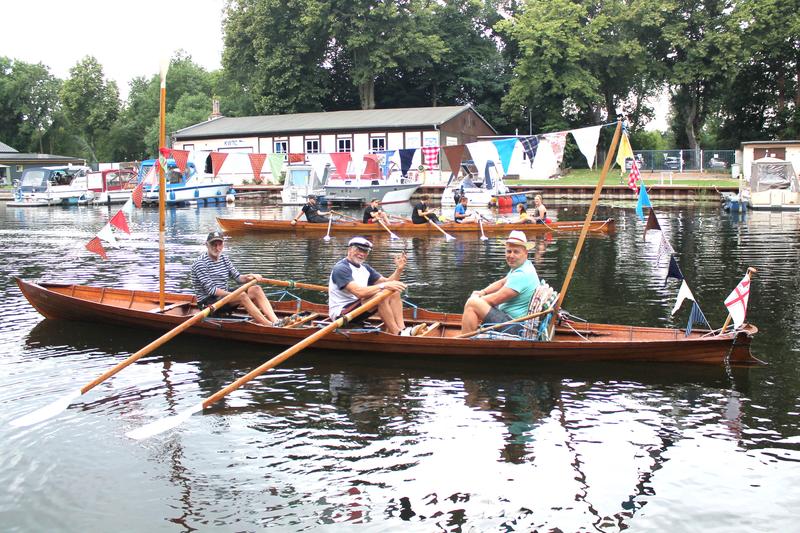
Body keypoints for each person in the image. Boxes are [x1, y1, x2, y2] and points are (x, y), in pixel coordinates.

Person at [191, 231, 283, 327]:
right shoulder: (200, 264)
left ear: (223, 244)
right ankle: (269, 325)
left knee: (256, 289)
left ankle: (276, 321)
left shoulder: (224, 258)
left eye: (220, 244)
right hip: (208, 304)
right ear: (206, 244)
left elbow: (238, 278)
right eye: (213, 244)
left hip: (224, 298)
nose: (217, 248)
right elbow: (212, 290)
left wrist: (251, 276)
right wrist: (234, 295)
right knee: (241, 295)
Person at [328, 236, 415, 335]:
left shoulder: (365, 268)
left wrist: (399, 270)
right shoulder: (341, 269)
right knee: (380, 297)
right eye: (358, 250)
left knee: (394, 292)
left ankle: (403, 329)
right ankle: (397, 333)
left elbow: (388, 282)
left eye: (365, 251)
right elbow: (359, 292)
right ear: (350, 250)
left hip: (359, 308)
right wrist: (384, 286)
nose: (361, 254)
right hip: (342, 314)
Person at [460, 230, 540, 335]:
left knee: (471, 304)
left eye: (516, 252)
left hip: (516, 327)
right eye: (509, 251)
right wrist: (482, 292)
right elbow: (503, 282)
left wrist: (476, 301)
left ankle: (465, 343)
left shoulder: (522, 275)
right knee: (475, 302)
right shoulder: (524, 266)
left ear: (525, 253)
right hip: (510, 320)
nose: (511, 255)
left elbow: (494, 300)